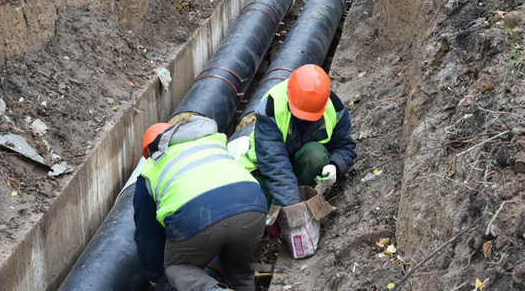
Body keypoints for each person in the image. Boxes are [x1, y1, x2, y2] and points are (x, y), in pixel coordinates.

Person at [133, 116, 267, 291]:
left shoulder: (150, 171)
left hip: (198, 216)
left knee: (178, 268)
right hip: (253, 207)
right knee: (240, 274)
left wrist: (157, 278)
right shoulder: (211, 144)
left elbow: (147, 235)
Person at [238, 64, 357, 207]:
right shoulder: (271, 109)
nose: (303, 119)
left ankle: (298, 199)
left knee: (314, 155)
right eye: (299, 114)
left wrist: (335, 165)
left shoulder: (336, 110)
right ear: (289, 95)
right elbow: (275, 164)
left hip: (299, 167)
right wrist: (293, 209)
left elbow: (344, 147)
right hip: (263, 171)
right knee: (251, 204)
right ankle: (279, 212)